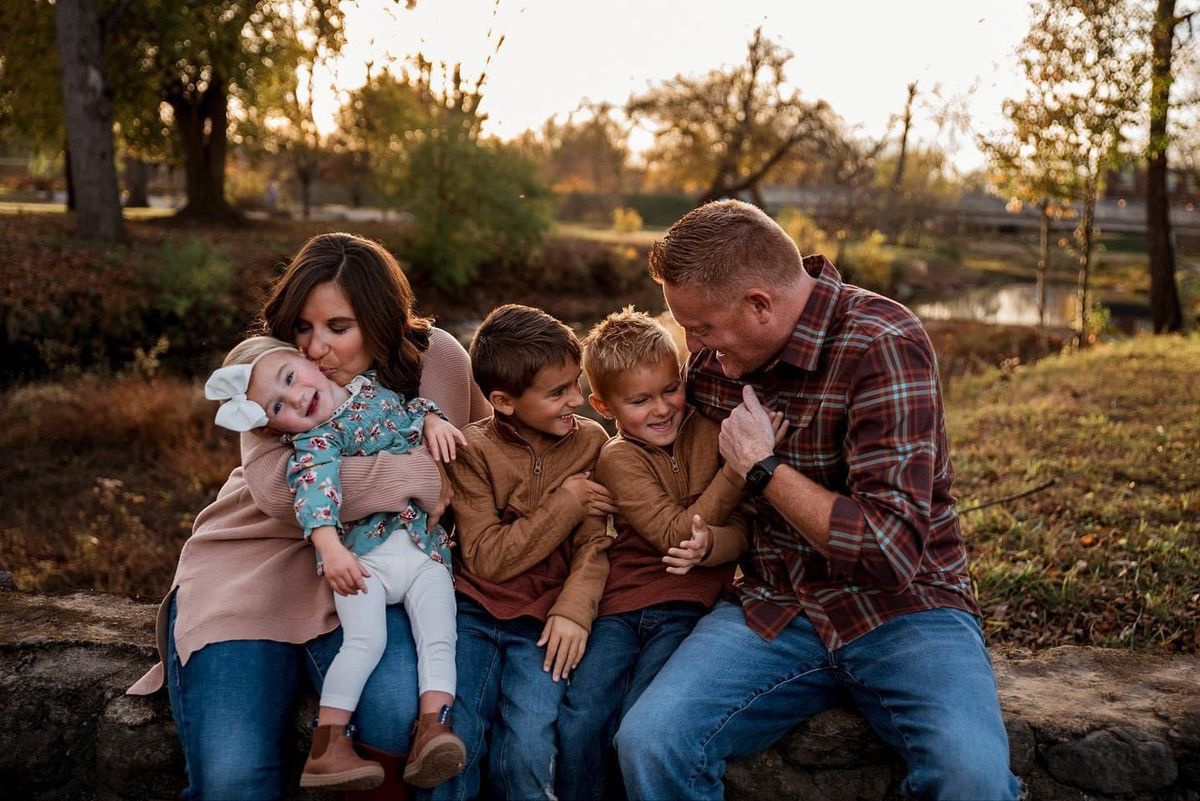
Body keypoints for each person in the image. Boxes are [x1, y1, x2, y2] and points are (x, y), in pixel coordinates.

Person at [614, 200, 1020, 801]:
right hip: (772, 608)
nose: (693, 348)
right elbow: (643, 430)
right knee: (650, 740)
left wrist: (762, 467)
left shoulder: (882, 343)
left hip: (904, 610)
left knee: (973, 779)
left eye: (701, 328)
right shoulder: (716, 364)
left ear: (759, 304)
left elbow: (891, 551)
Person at [128, 232, 491, 801]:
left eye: (337, 328)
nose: (314, 348)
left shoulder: (439, 357)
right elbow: (276, 492)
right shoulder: (269, 368)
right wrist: (416, 477)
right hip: (256, 566)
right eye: (302, 326)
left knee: (399, 715)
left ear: (381, 318)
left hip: (376, 566)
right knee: (233, 775)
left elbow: (481, 454)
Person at [204, 334, 468, 791]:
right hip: (363, 561)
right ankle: (329, 744)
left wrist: (432, 422)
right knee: (365, 643)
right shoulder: (315, 442)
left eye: (290, 378)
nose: (296, 398)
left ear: (309, 362)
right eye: (277, 406)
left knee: (441, 636)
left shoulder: (373, 391)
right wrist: (331, 550)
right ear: (274, 428)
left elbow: (410, 412)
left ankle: (434, 727)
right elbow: (315, 495)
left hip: (425, 553)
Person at [556, 307, 765, 801]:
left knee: (643, 711)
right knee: (583, 712)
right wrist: (735, 473)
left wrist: (714, 546)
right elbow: (674, 534)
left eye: (670, 389)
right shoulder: (617, 457)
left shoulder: (712, 434)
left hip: (686, 609)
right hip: (619, 608)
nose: (661, 409)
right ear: (603, 406)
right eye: (639, 400)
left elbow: (743, 529)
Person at [431, 304, 617, 801]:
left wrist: (575, 611)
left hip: (543, 621)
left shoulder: (592, 443)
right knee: (456, 736)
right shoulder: (472, 449)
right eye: (557, 393)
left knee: (532, 741)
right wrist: (567, 503)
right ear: (503, 401)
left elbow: (595, 543)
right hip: (471, 614)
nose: (576, 401)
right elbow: (487, 557)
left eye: (575, 384)